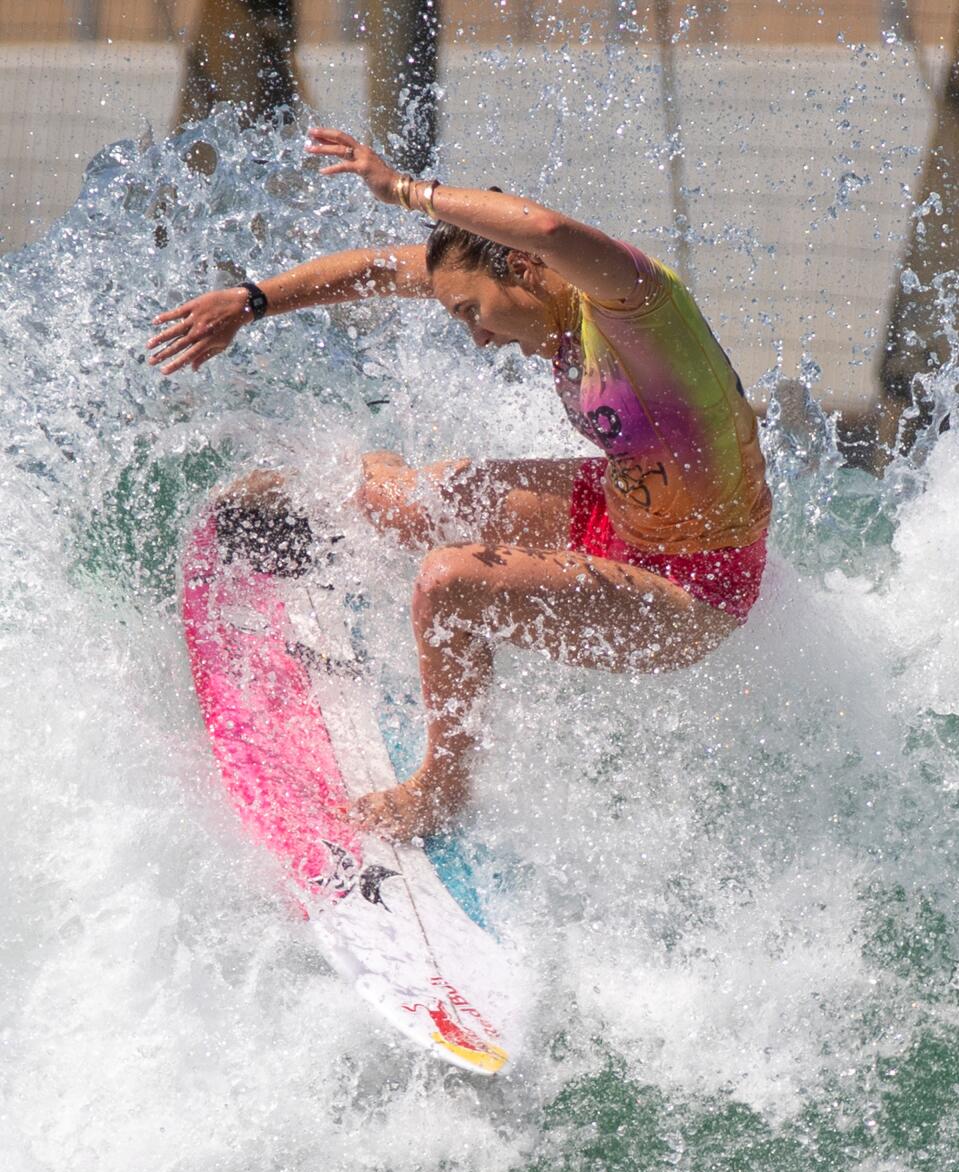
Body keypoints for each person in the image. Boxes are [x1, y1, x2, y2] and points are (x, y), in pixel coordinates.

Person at [149, 126, 772, 841]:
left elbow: (547, 225)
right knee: (410, 500)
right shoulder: (539, 297)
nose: (476, 338)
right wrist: (251, 300)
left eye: (472, 311)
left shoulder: (634, 304)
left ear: (522, 266)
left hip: (696, 585)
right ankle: (342, 496)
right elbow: (375, 271)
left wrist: (404, 191)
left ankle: (440, 792)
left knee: (450, 581)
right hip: (617, 512)